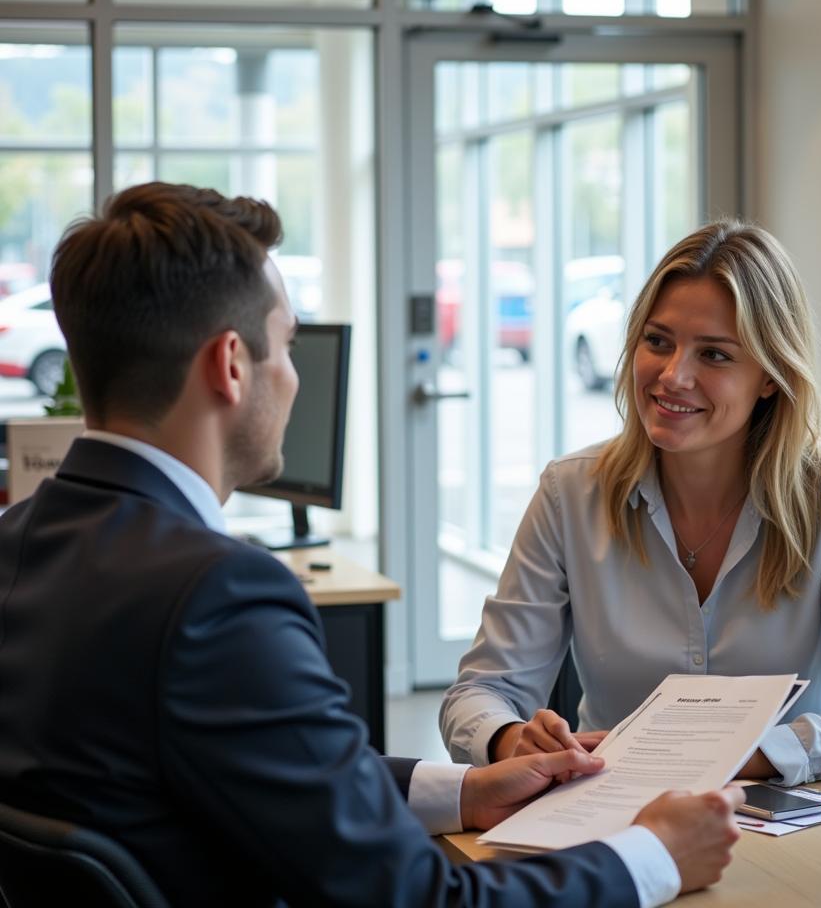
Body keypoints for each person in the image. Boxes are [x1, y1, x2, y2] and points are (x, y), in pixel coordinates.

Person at [0, 182, 744, 908]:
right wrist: (653, 857)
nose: (292, 377)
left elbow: (266, 769)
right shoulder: (216, 597)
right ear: (230, 366)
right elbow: (418, 895)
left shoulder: (20, 540)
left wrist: (463, 789)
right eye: (286, 345)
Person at [441, 221, 821, 787]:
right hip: (605, 813)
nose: (673, 376)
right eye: (658, 341)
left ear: (770, 377)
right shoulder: (569, 494)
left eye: (714, 355)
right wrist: (512, 737)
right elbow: (478, 693)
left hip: (780, 822)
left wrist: (720, 759)